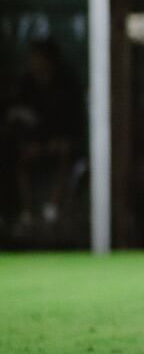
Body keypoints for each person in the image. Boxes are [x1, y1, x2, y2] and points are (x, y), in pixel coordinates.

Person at [5, 40, 83, 238]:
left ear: (50, 60)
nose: (35, 62)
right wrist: (32, 142)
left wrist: (57, 141)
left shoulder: (66, 84)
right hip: (33, 143)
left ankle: (52, 211)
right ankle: (26, 214)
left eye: (38, 58)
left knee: (65, 152)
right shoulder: (25, 84)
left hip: (61, 143)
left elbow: (74, 121)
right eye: (32, 58)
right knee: (19, 159)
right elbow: (17, 117)